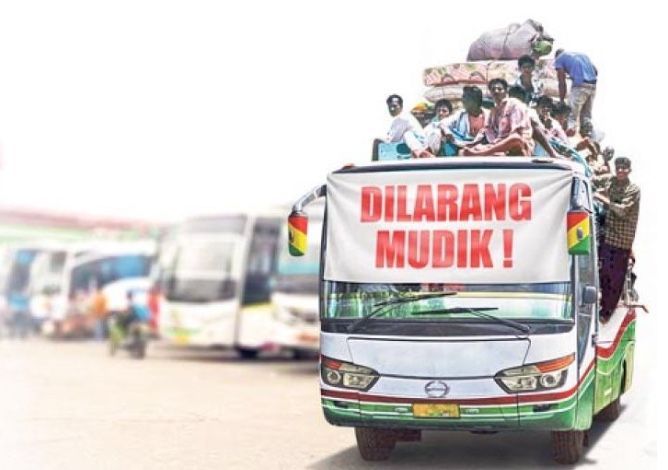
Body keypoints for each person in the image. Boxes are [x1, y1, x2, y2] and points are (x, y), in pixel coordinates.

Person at [593, 157, 640, 323]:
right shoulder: (611, 181)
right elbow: (595, 180)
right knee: (604, 273)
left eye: (624, 168)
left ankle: (607, 313)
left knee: (615, 280)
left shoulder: (633, 190)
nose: (620, 170)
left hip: (621, 241)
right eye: (618, 167)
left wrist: (603, 199)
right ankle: (602, 306)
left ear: (629, 170)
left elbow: (622, 211)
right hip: (608, 237)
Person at [462, 78, 533, 156]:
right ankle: (490, 151)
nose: (496, 91)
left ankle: (481, 153)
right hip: (498, 145)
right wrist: (472, 144)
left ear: (506, 91)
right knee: (464, 151)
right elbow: (487, 131)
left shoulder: (514, 105)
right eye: (493, 89)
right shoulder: (493, 112)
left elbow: (517, 132)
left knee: (515, 138)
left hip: (519, 145)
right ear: (490, 93)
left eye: (499, 89)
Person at [554, 49, 598, 136]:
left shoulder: (559, 59)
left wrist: (562, 100)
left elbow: (562, 83)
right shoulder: (582, 55)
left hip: (580, 86)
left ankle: (567, 136)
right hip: (592, 86)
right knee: (586, 117)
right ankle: (588, 135)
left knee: (571, 116)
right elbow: (595, 71)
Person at [436, 86, 489, 155]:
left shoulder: (489, 115)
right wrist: (447, 131)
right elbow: (442, 123)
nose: (463, 100)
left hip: (484, 148)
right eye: (463, 97)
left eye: (465, 97)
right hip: (462, 147)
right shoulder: (461, 114)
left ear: (475, 100)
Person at [382, 94, 434, 158]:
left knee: (406, 134)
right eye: (390, 107)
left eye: (394, 106)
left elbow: (393, 139)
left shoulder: (402, 118)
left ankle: (421, 154)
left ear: (401, 106)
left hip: (420, 146)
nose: (392, 109)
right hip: (417, 146)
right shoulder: (401, 117)